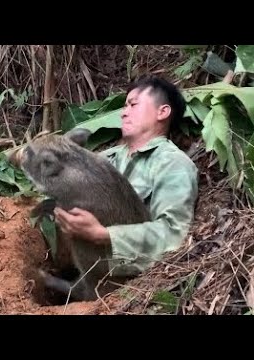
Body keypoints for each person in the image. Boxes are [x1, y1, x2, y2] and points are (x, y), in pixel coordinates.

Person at [54, 75, 199, 279]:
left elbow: (174, 233)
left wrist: (103, 235)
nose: (124, 113)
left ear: (163, 111)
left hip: (124, 282)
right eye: (125, 106)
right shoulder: (105, 159)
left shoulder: (173, 165)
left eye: (133, 104)